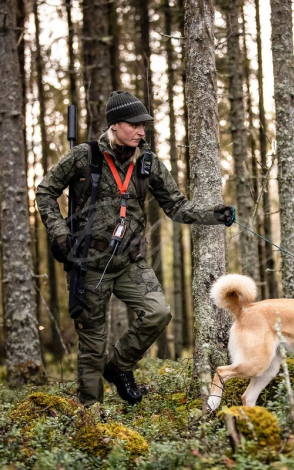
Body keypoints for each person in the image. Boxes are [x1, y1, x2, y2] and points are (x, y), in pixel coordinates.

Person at [36, 90, 235, 407]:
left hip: (130, 261)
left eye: (145, 125)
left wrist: (214, 214)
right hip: (88, 265)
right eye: (135, 124)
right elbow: (45, 192)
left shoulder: (148, 163)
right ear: (115, 125)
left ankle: (118, 367)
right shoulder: (83, 157)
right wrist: (59, 233)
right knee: (92, 346)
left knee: (158, 313)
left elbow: (177, 207)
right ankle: (92, 417)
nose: (142, 131)